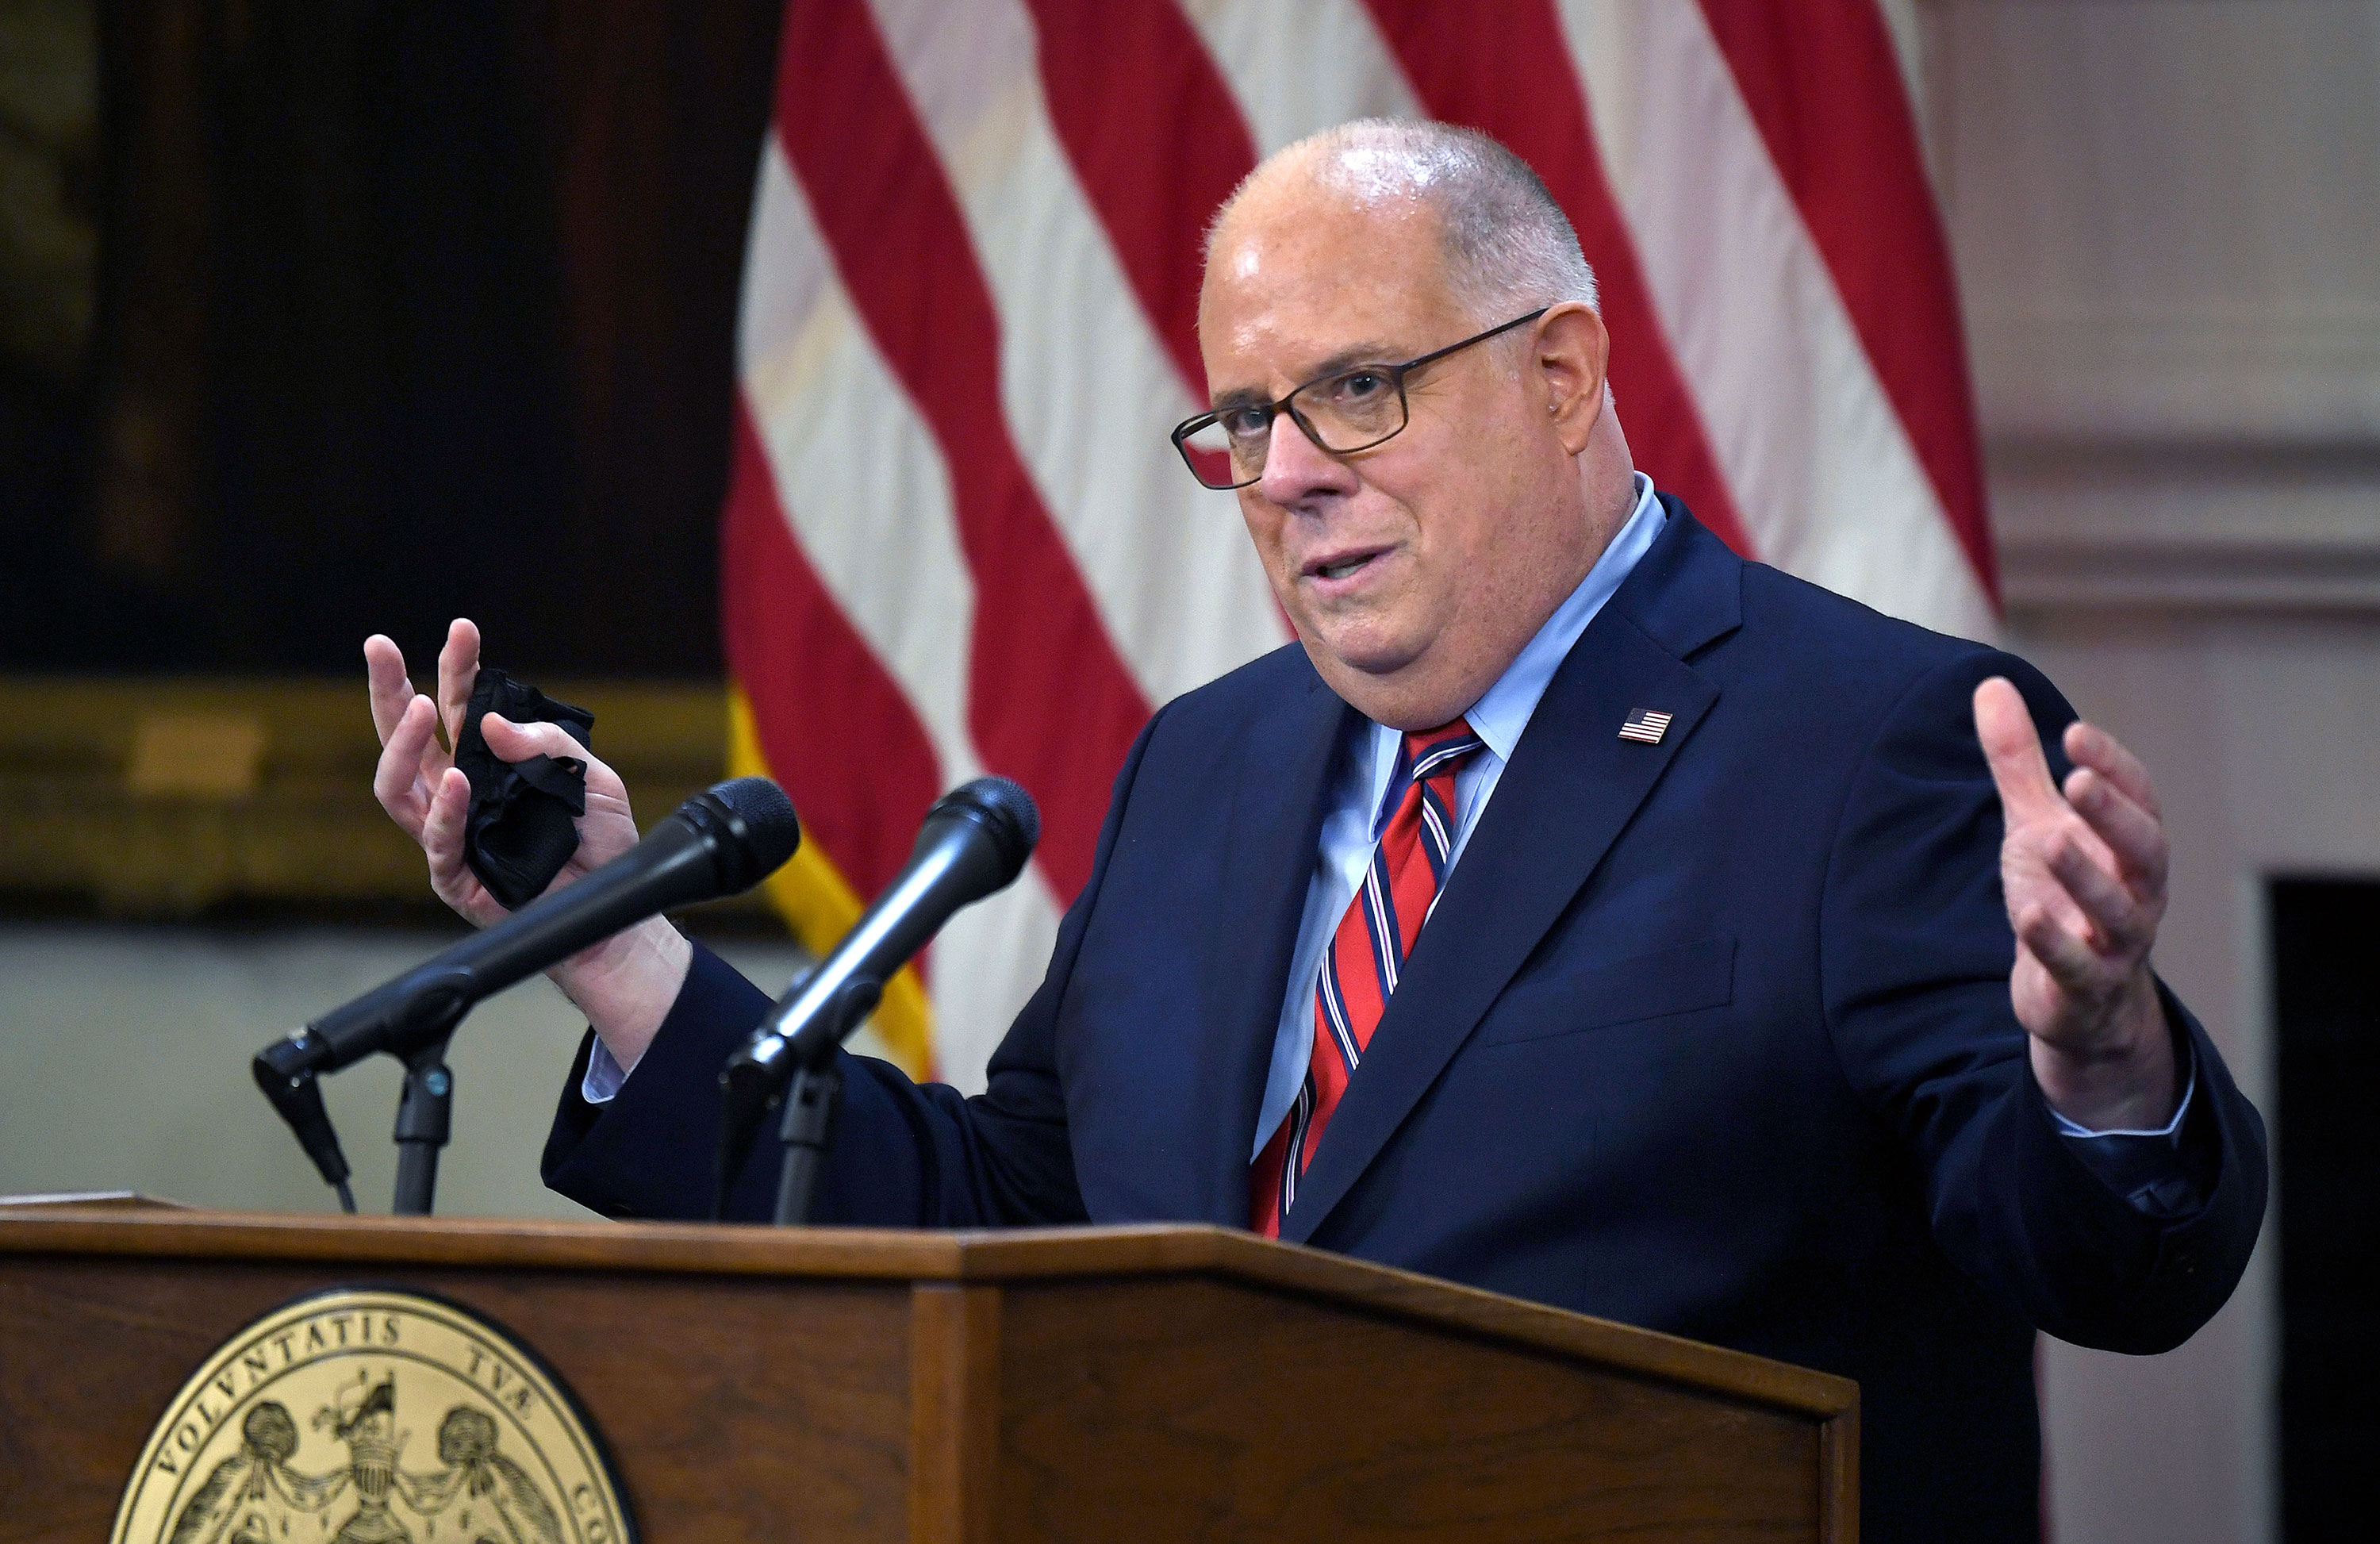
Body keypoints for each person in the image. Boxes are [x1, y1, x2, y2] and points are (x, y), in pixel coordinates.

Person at [365, 121, 2264, 1540]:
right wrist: (614, 939)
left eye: (1356, 394)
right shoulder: (1211, 764)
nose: (1283, 479)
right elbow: (1017, 1229)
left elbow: (2112, 1273)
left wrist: (2106, 1063)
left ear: (1565, 375)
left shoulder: (1863, 741)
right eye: (1244, 419)